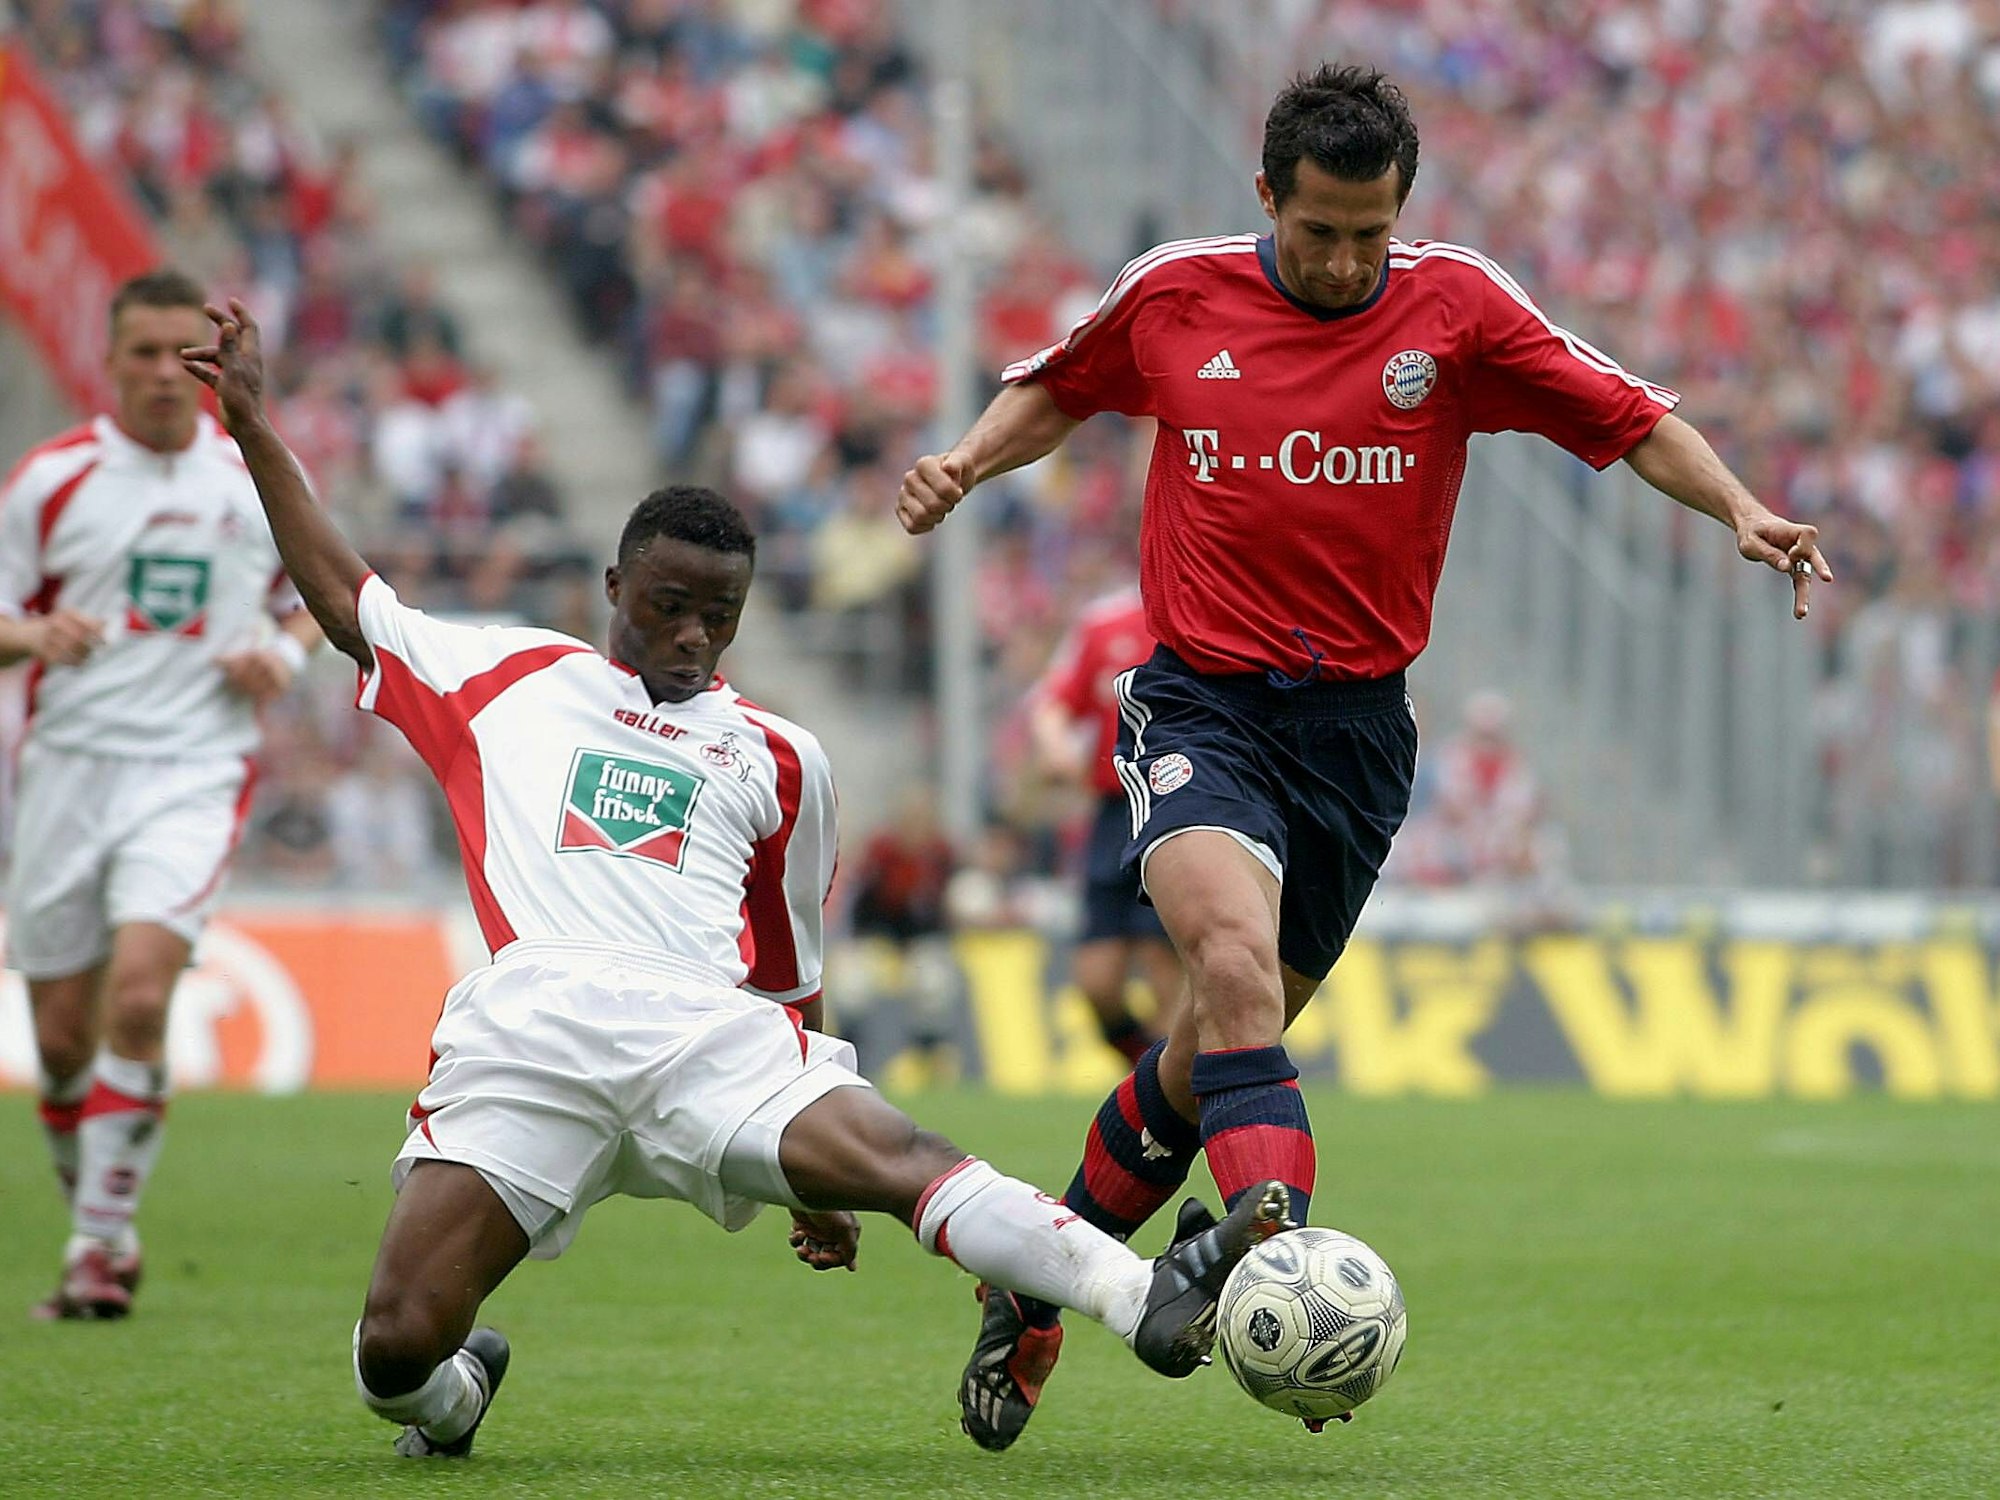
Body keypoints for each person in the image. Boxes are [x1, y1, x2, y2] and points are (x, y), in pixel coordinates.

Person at [178, 297, 1293, 1460]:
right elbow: (345, 597)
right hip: (533, 1031)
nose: (693, 636)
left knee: (899, 1158)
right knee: (394, 1347)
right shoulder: (503, 673)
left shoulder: (781, 757)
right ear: (614, 585)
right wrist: (254, 425)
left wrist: (807, 1171)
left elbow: (787, 975)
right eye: (668, 607)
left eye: (721, 614)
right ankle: (455, 1397)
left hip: (708, 1037)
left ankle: (1140, 1295)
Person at [897, 62, 1831, 1449]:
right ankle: (1272, 1241)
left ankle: (1036, 1279)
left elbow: (1629, 418)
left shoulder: (1457, 307)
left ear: (1402, 213)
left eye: (1368, 234)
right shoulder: (1178, 292)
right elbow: (1063, 387)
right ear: (1266, 195)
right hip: (1200, 700)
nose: (1342, 260)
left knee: (1207, 1046)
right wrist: (967, 462)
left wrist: (1742, 508)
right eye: (1318, 228)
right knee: (1224, 966)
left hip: (1358, 738)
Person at [0, 268, 323, 1321]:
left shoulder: (253, 477)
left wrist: (284, 652)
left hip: (194, 770)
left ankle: (91, 1251)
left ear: (211, 362)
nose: (161, 374)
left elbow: (324, 597)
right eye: (141, 352)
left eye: (183, 354)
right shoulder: (53, 480)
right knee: (56, 1044)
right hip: (65, 768)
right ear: (110, 360)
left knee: (139, 996)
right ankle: (111, 1222)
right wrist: (33, 635)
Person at [1029, 581, 1185, 1065]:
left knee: (1165, 966)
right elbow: (1053, 700)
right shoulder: (1104, 623)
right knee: (1096, 981)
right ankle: (1157, 1087)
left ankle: (1167, 1101)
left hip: (1177, 807)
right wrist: (1055, 746)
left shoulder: (1207, 614)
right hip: (1114, 813)